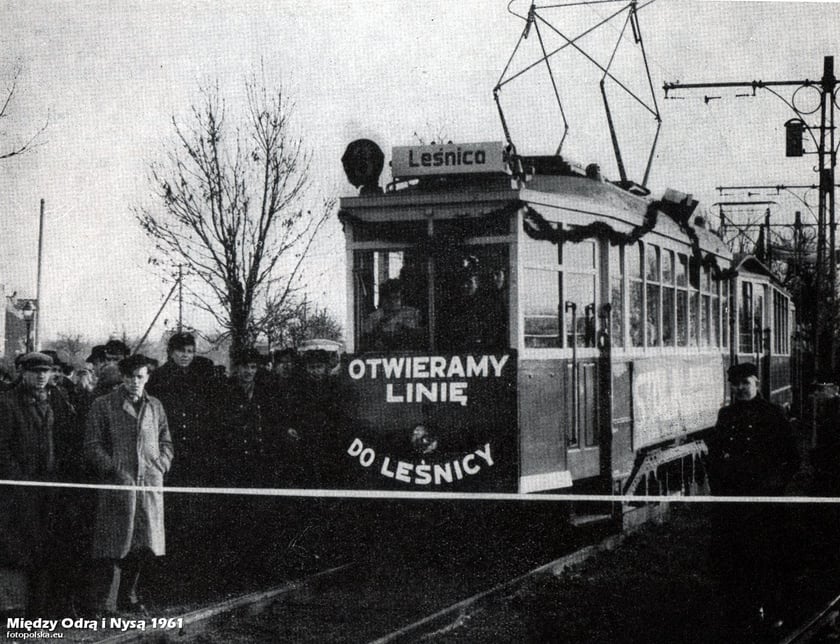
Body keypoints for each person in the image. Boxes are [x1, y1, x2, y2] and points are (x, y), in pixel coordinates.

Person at [704, 362, 799, 635]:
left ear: (757, 383)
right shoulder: (726, 416)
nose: (741, 389)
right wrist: (719, 489)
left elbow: (791, 459)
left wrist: (774, 487)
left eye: (746, 383)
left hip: (764, 504)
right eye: (736, 384)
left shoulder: (773, 415)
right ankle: (740, 611)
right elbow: (714, 458)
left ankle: (770, 610)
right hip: (732, 504)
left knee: (766, 557)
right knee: (733, 559)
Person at [85, 353, 173, 616]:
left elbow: (166, 441)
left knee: (144, 545)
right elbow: (92, 445)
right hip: (119, 486)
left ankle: (130, 597)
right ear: (122, 378)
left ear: (147, 377)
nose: (135, 382)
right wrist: (113, 469)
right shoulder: (104, 405)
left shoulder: (155, 406)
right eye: (129, 377)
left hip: (149, 485)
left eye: (140, 377)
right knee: (114, 545)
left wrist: (161, 465)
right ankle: (105, 604)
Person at [0, 352, 75, 616]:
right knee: (15, 550)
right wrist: (19, 481)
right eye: (36, 372)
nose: (42, 376)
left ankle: (39, 609)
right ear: (23, 373)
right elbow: (2, 450)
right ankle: (12, 610)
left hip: (49, 490)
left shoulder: (55, 401)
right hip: (17, 491)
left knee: (44, 547)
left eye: (46, 371)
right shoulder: (7, 403)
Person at [362, 278, 423, 351]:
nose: (392, 302)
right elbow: (366, 340)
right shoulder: (373, 318)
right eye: (389, 298)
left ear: (402, 298)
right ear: (383, 299)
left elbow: (420, 338)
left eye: (396, 298)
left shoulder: (413, 314)